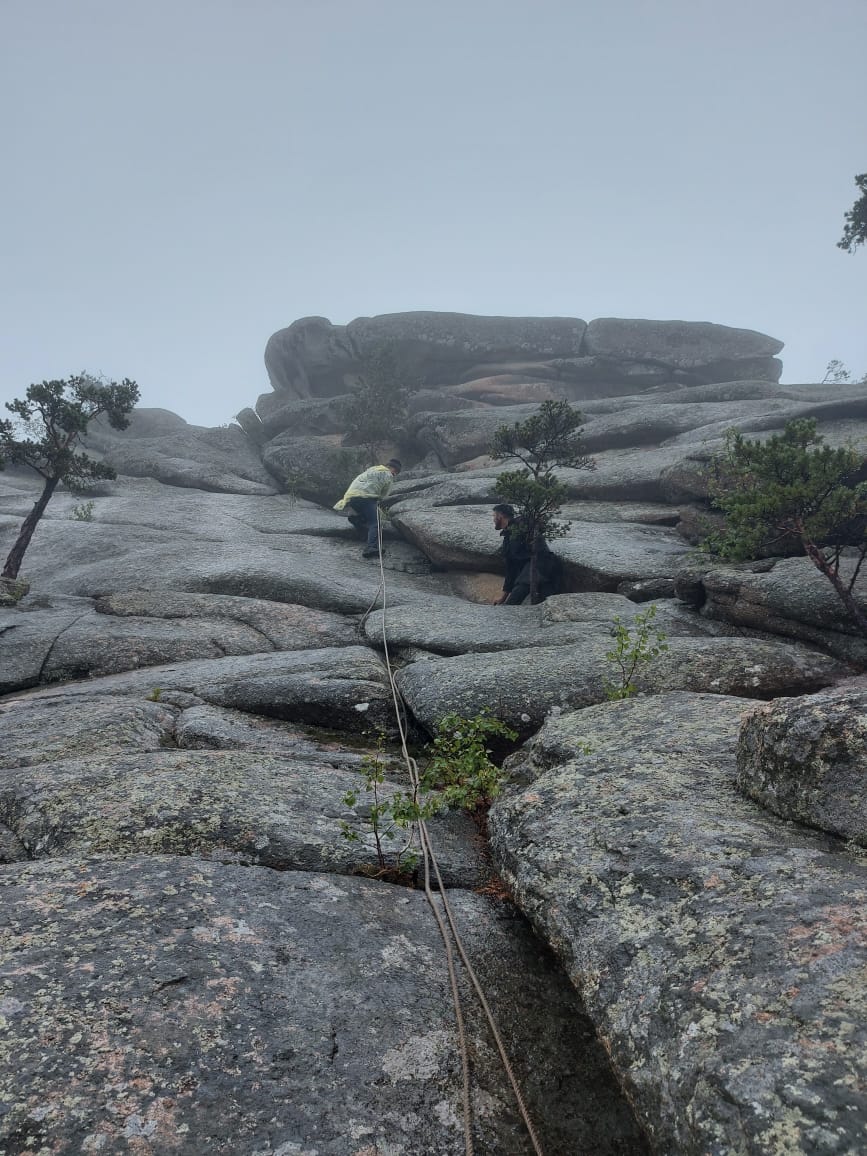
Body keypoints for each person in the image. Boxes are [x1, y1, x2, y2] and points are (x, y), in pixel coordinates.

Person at [492, 503, 561, 604]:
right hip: (532, 571)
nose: (493, 519)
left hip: (544, 565)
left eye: (494, 516)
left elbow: (535, 522)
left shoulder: (522, 523)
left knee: (513, 603)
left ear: (500, 516)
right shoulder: (507, 540)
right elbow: (510, 571)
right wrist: (502, 598)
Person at [334, 459, 402, 558]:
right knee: (375, 523)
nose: (395, 474)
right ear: (393, 469)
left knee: (366, 517)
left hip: (352, 498)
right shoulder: (388, 475)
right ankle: (370, 548)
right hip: (367, 498)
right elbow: (384, 494)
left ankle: (357, 521)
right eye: (396, 472)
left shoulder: (371, 470)